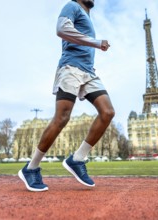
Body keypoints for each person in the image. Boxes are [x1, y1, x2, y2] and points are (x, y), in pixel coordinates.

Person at [18, 0, 114, 192]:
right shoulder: (72, 6)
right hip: (71, 67)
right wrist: (96, 42)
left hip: (89, 72)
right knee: (62, 117)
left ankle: (77, 159)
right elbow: (61, 29)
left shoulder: (86, 16)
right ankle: (31, 168)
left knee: (107, 112)